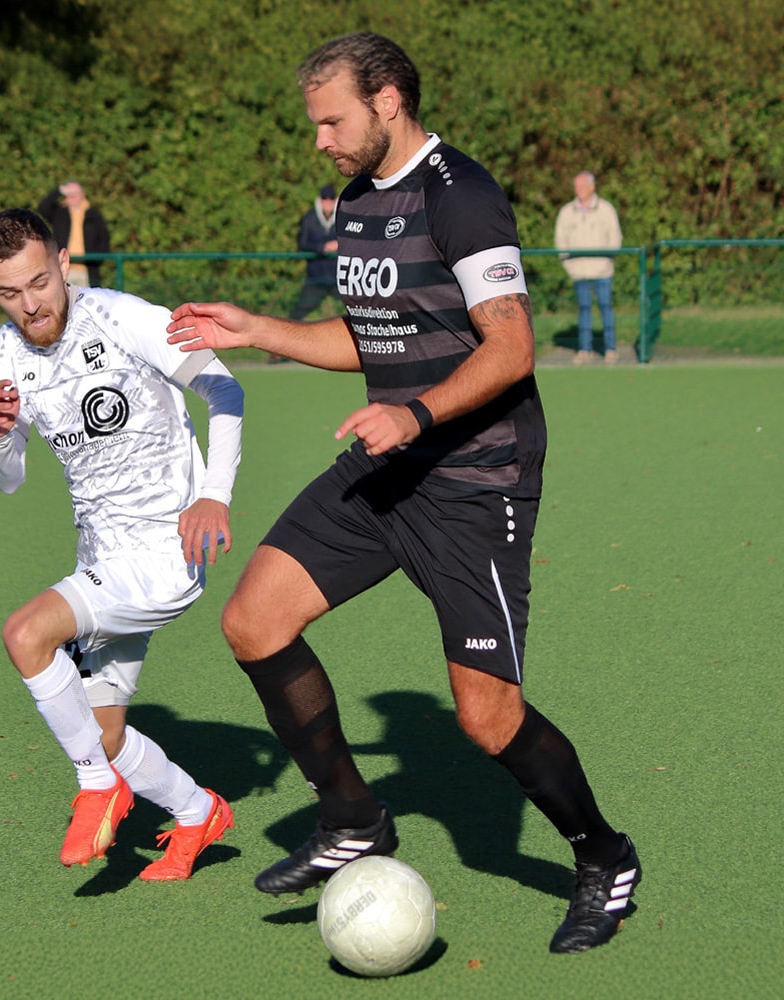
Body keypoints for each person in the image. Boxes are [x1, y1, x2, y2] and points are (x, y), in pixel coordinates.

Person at [166, 32, 640, 955]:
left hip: (474, 480)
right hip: (390, 463)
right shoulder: (356, 200)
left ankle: (604, 855)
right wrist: (258, 328)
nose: (321, 141)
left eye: (332, 121)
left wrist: (415, 414)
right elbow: (370, 335)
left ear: (387, 101)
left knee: (487, 717)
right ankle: (352, 817)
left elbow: (512, 347)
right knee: (255, 621)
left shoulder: (460, 195)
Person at [0, 208, 243, 880]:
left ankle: (97, 787)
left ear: (64, 264)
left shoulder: (124, 319)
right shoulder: (5, 356)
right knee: (104, 732)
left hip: (165, 554)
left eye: (39, 282)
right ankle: (197, 813)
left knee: (26, 634)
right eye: (9, 293)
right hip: (101, 556)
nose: (29, 305)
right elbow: (8, 480)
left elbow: (224, 388)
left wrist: (214, 494)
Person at [268, 185, 343, 363]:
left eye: (331, 199)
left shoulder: (343, 216)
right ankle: (279, 351)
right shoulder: (309, 218)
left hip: (339, 278)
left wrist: (339, 245)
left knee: (359, 311)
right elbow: (303, 244)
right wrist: (322, 248)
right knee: (296, 314)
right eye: (324, 199)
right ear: (320, 201)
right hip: (316, 278)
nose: (328, 203)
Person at [554, 172, 623, 364]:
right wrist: (569, 265)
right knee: (584, 309)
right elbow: (561, 241)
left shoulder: (606, 209)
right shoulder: (567, 211)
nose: (579, 190)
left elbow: (615, 237)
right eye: (576, 186)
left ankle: (610, 349)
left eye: (582, 186)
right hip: (579, 272)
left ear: (592, 187)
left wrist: (608, 260)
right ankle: (585, 350)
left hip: (603, 271)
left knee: (605, 307)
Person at [37, 181, 111, 286]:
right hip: (64, 269)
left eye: (74, 194)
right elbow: (43, 207)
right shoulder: (60, 213)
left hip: (87, 271)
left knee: (85, 296)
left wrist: (98, 259)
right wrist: (59, 191)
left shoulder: (94, 215)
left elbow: (104, 239)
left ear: (81, 195)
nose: (71, 198)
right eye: (69, 195)